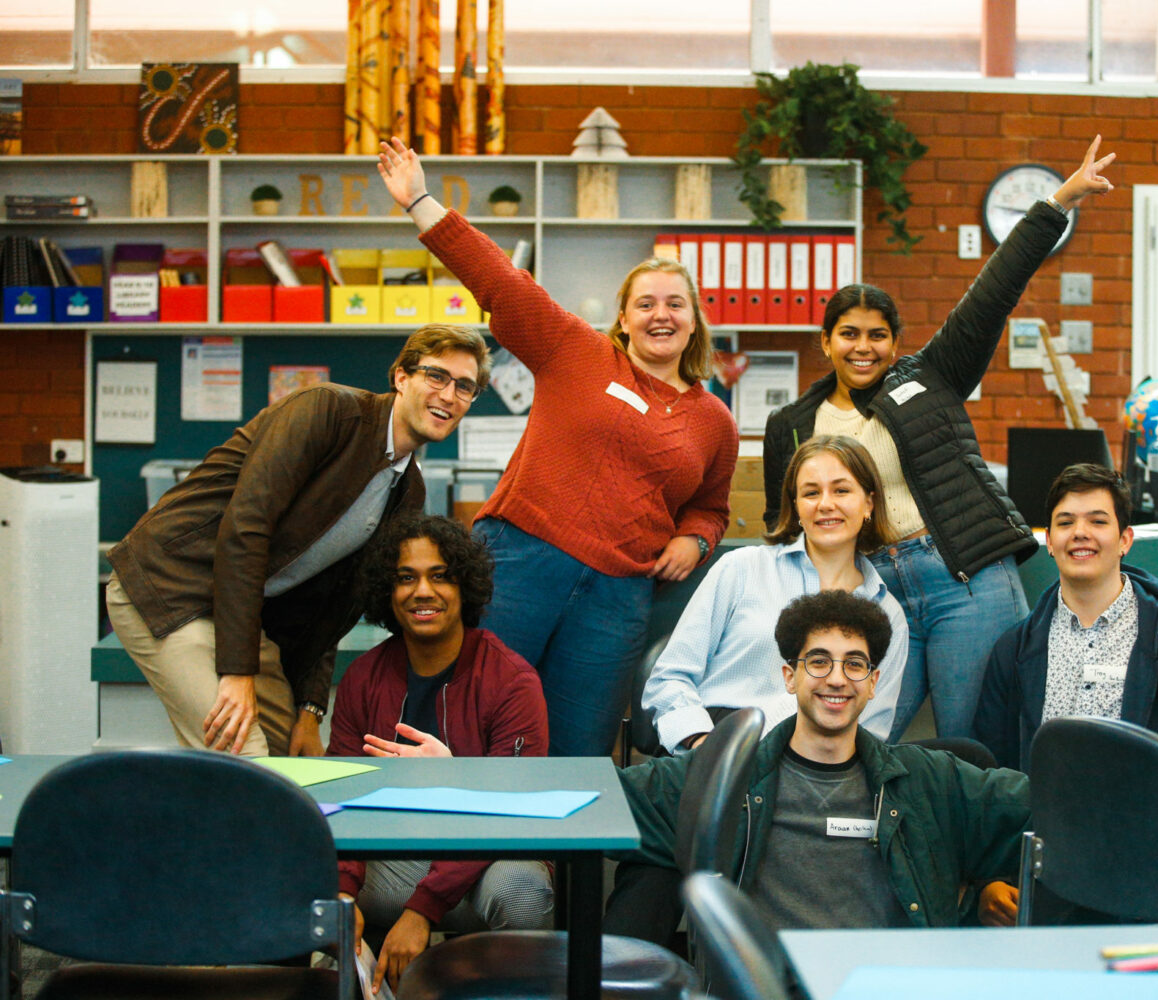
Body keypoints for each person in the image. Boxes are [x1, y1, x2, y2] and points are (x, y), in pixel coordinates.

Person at [377, 137, 738, 757]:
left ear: (693, 320)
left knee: (579, 747)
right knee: (465, 720)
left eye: (675, 304)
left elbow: (711, 506)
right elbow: (499, 280)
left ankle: (557, 830)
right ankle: (445, 824)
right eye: (645, 303)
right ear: (623, 319)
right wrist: (419, 202)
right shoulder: (576, 350)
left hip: (617, 597)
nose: (661, 315)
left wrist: (695, 539)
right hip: (520, 561)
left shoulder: (714, 421)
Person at [762, 137, 1116, 742]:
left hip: (965, 583)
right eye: (848, 334)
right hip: (872, 594)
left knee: (974, 742)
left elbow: (993, 293)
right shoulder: (793, 424)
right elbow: (785, 528)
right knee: (853, 736)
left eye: (877, 335)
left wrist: (1058, 202)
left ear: (895, 343)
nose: (863, 347)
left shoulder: (932, 376)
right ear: (826, 342)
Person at [106, 325, 491, 757]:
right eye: (436, 376)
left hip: (239, 617)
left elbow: (335, 603)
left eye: (465, 386)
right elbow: (245, 529)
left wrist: (310, 708)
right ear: (402, 376)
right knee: (243, 751)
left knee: (288, 754)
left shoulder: (407, 491)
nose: (448, 395)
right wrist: (237, 672)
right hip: (169, 587)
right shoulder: (327, 411)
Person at [613, 590, 1031, 940]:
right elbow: (596, 799)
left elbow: (1045, 810)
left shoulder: (930, 780)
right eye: (818, 661)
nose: (836, 678)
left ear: (873, 683)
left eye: (854, 664)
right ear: (789, 676)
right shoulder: (725, 776)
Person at [332, 514, 550, 995]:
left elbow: (507, 815)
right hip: (394, 858)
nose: (423, 591)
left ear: (464, 587)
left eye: (440, 576)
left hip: (485, 859)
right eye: (406, 578)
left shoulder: (512, 682)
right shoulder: (362, 678)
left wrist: (421, 911)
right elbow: (342, 803)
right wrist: (343, 896)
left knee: (522, 890)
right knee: (304, 881)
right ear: (388, 592)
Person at [642, 435, 908, 755]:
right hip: (713, 744)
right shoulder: (742, 568)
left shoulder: (888, 613)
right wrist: (705, 747)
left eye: (841, 490)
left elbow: (872, 729)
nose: (825, 504)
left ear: (869, 503)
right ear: (796, 506)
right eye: (811, 492)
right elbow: (669, 677)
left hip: (814, 764)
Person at [972, 463, 1158, 773]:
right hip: (1042, 804)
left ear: (1125, 540)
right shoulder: (1014, 649)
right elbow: (993, 770)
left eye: (1098, 521)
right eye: (1066, 522)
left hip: (1146, 805)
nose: (1080, 533)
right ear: (1050, 542)